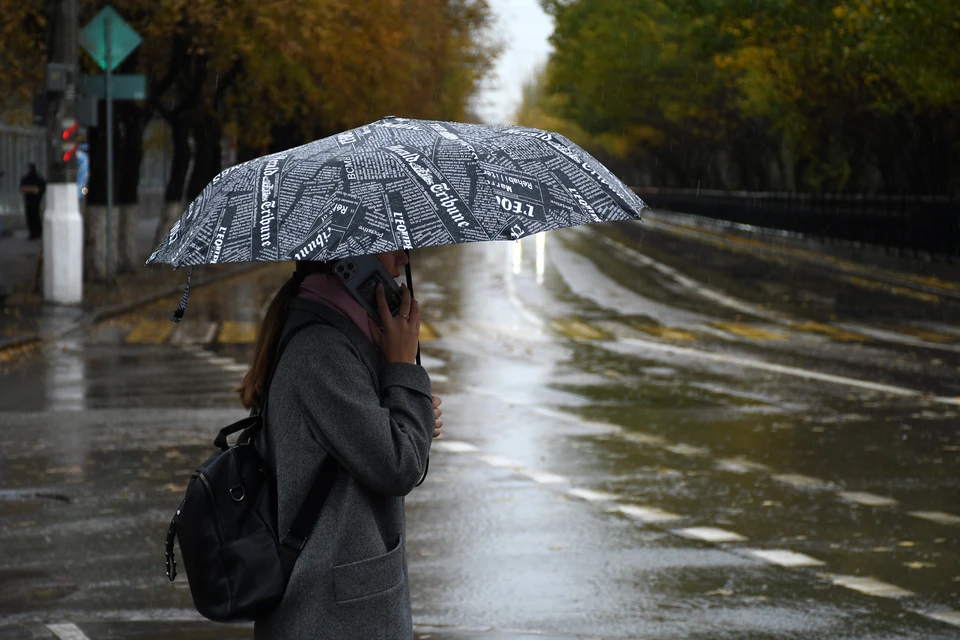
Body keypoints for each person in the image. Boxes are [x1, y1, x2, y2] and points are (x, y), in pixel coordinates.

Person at [238, 250, 442, 640]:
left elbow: (380, 445)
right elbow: (399, 465)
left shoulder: (339, 335)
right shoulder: (323, 351)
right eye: (390, 238)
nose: (405, 254)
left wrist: (408, 408)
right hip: (332, 614)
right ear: (353, 254)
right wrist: (404, 368)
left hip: (337, 607)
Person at [19, 163, 46, 240]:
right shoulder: (27, 179)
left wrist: (35, 190)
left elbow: (41, 188)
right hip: (29, 201)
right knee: (31, 217)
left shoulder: (38, 179)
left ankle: (36, 232)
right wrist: (33, 190)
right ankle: (33, 232)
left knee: (35, 217)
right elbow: (22, 188)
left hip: (35, 202)